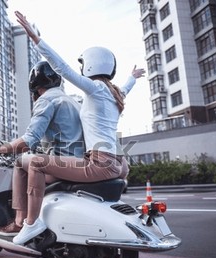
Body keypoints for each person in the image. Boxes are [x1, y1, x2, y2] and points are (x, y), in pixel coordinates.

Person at [10, 11, 146, 245]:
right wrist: (132, 77)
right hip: (120, 164)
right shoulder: (114, 94)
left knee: (35, 163)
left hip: (100, 162)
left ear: (91, 65)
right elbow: (126, 88)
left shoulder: (95, 89)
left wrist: (36, 39)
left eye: (83, 64)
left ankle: (30, 223)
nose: (81, 69)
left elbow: (62, 68)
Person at [0, 61, 85, 236]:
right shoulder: (72, 100)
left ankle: (19, 221)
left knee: (20, 163)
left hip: (64, 164)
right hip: (81, 161)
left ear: (35, 85)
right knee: (32, 161)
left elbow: (27, 142)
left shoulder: (46, 100)